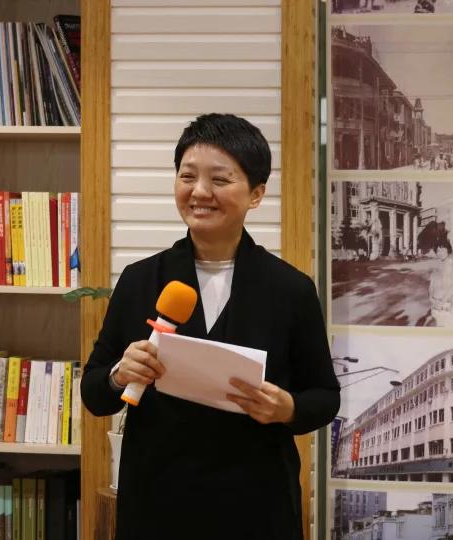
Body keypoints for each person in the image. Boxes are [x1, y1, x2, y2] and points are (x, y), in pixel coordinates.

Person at [80, 114, 341, 540]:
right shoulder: (140, 279)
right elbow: (94, 393)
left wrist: (287, 409)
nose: (200, 192)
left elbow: (325, 396)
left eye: (219, 179)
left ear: (256, 194)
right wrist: (118, 374)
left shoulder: (290, 288)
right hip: (158, 504)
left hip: (257, 505)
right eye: (187, 176)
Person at [428, 238, 453, 328]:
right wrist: (431, 297)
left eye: (443, 249)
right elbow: (431, 284)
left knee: (451, 329)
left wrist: (442, 301)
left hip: (449, 304)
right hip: (436, 305)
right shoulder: (436, 266)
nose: (440, 252)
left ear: (448, 250)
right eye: (438, 250)